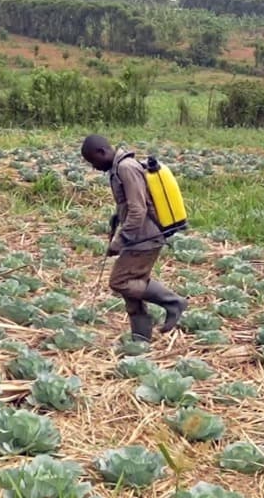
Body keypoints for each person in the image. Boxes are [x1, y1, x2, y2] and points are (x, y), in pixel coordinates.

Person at [80, 134, 187, 343]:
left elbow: (138, 210)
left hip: (144, 238)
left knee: (120, 281)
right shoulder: (119, 168)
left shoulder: (126, 168)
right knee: (133, 287)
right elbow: (132, 204)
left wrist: (119, 241)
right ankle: (141, 338)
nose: (94, 167)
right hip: (140, 236)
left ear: (102, 152)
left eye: (93, 161)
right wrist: (117, 216)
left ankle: (173, 302)